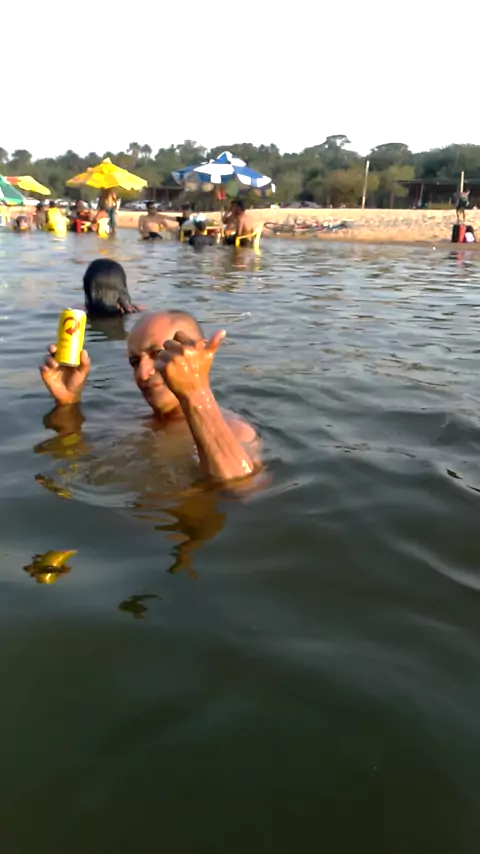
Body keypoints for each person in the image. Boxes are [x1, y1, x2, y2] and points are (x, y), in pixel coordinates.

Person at [39, 311, 259, 483]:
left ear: (197, 356)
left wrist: (196, 394)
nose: (142, 373)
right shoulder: (125, 420)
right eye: (134, 362)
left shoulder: (234, 429)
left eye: (158, 354)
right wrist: (67, 403)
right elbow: (70, 459)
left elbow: (241, 491)